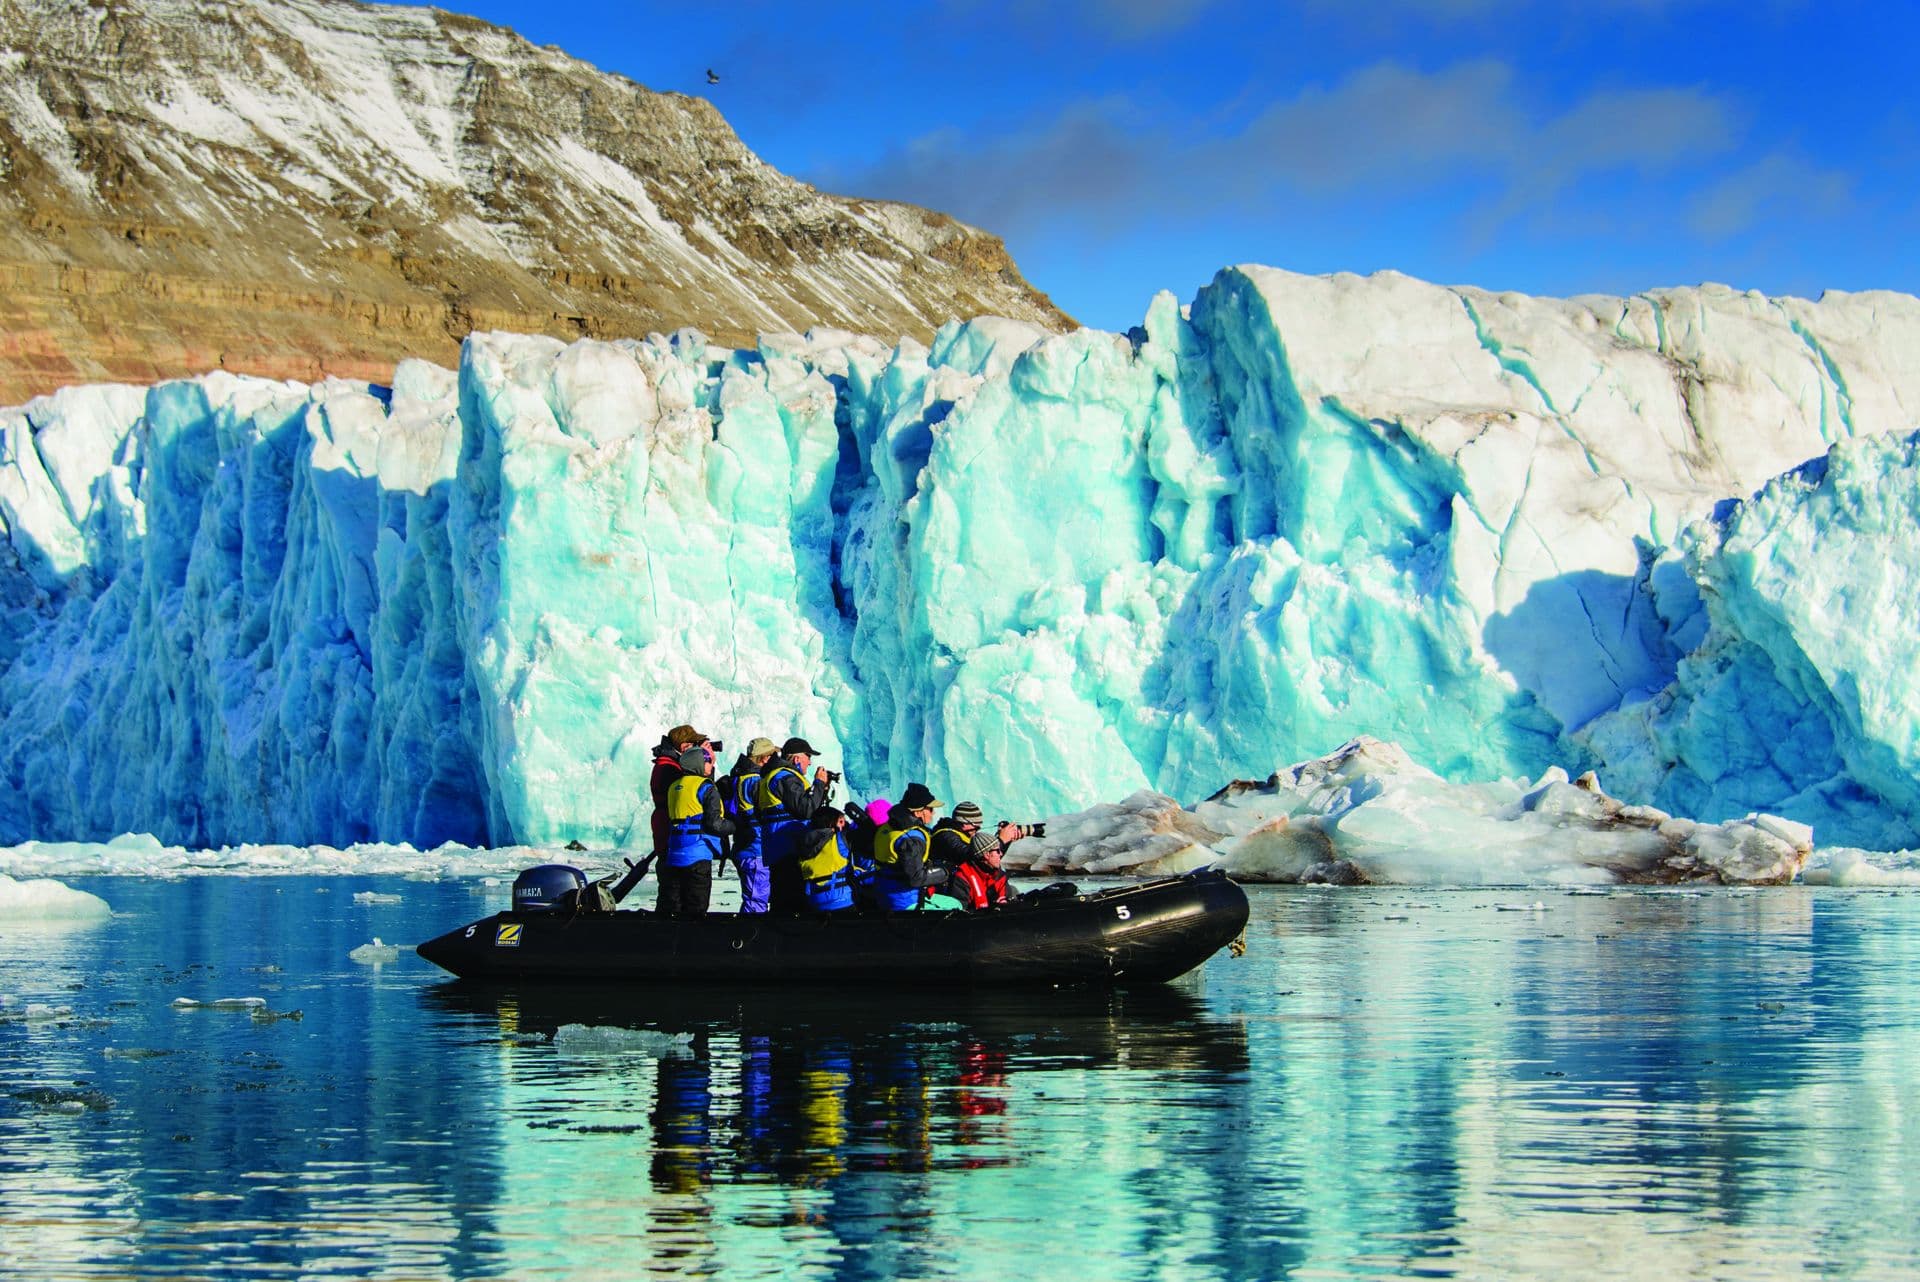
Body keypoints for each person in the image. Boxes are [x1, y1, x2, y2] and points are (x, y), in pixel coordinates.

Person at [756, 736, 833, 914]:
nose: (810, 762)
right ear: (797, 758)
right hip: (787, 847)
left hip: (778, 846)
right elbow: (805, 809)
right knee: (790, 900)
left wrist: (820, 791)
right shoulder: (785, 778)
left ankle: (780, 927)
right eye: (808, 757)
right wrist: (818, 784)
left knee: (783, 898)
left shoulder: (772, 776)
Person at [656, 745, 734, 919]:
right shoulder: (706, 787)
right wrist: (734, 825)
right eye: (708, 761)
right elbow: (714, 824)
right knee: (696, 908)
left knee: (674, 908)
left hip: (674, 853)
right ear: (698, 763)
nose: (711, 764)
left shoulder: (674, 786)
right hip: (698, 854)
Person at [869, 782, 947, 912]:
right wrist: (945, 872)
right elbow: (916, 878)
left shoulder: (887, 828)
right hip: (905, 902)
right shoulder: (911, 839)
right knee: (956, 905)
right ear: (918, 812)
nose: (933, 813)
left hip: (883, 894)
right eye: (930, 809)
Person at [722, 737, 778, 913]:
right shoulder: (754, 781)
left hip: (744, 845)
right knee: (755, 901)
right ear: (765, 759)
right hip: (755, 849)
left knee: (755, 897)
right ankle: (751, 930)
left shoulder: (738, 777)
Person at [650, 724, 710, 865]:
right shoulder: (670, 768)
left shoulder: (666, 764)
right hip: (672, 830)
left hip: (666, 827)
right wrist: (705, 767)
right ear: (684, 747)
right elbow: (692, 794)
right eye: (694, 745)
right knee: (672, 872)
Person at [796, 807, 856, 913]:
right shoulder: (840, 839)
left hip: (815, 904)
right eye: (841, 821)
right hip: (842, 902)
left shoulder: (804, 842)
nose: (844, 824)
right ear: (831, 823)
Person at [949, 825, 1022, 911]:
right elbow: (959, 913)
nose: (1001, 854)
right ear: (987, 854)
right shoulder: (962, 878)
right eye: (997, 851)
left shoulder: (999, 875)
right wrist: (991, 909)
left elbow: (1007, 900)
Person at [930, 800, 985, 876]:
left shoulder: (962, 834)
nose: (977, 829)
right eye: (975, 825)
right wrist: (1000, 841)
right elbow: (968, 855)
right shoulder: (947, 837)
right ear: (962, 822)